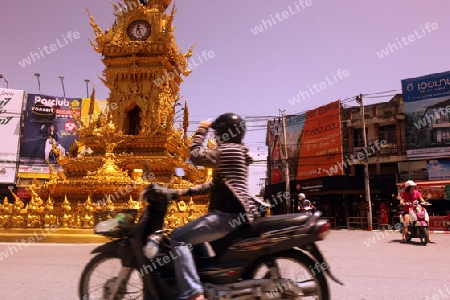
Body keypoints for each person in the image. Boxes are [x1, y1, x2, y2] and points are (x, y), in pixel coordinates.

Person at [169, 113, 266, 300]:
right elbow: (215, 185)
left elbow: (195, 156)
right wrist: (183, 192)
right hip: (237, 215)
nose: (215, 136)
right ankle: (205, 281)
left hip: (225, 216)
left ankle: (192, 292)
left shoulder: (225, 150)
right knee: (195, 239)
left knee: (178, 238)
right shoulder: (238, 151)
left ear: (223, 133)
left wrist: (202, 129)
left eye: (217, 133)